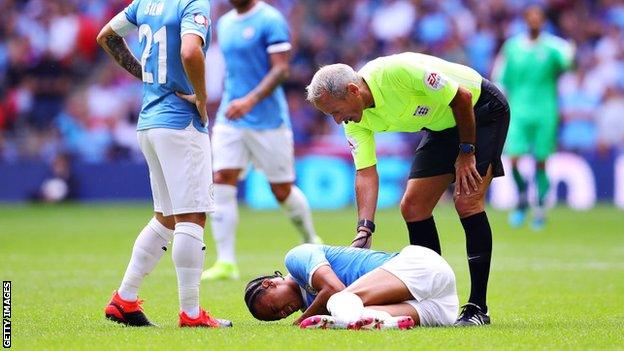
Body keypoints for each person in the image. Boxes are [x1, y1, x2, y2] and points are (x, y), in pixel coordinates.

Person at [305, 52, 510, 326]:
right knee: (413, 207)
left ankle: (477, 307)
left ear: (353, 90)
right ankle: (432, 295)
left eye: (335, 112)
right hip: (442, 125)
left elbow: (462, 97)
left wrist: (467, 151)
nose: (337, 121)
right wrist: (365, 228)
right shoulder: (357, 119)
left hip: (481, 111)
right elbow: (365, 172)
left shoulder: (397, 72)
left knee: (466, 201)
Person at [97, 0, 230, 327]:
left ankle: (124, 300)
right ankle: (192, 313)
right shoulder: (193, 3)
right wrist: (201, 96)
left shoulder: (145, 2)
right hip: (180, 124)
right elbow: (189, 52)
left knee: (166, 218)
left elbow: (107, 36)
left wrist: (146, 75)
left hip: (149, 121)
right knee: (192, 216)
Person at [201, 0, 322, 281]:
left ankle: (311, 238)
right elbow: (233, 71)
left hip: (268, 122)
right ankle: (226, 262)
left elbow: (281, 69)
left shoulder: (270, 20)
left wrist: (251, 100)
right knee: (221, 178)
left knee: (281, 190)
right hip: (232, 118)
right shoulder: (225, 22)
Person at [244, 244, 458, 329]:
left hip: (422, 267)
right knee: (361, 315)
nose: (283, 313)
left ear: (269, 283)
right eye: (278, 317)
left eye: (275, 308)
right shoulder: (315, 306)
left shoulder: (296, 258)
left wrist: (301, 321)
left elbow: (334, 288)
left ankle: (355, 323)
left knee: (340, 300)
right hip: (441, 306)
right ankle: (388, 324)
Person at [493, 5, 574, 230]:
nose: (535, 21)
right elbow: (500, 79)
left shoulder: (554, 46)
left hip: (545, 110)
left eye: (539, 18)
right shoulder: (512, 47)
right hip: (518, 111)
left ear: (544, 21)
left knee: (541, 160)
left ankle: (539, 207)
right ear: (526, 20)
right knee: (514, 159)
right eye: (531, 17)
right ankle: (521, 198)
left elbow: (570, 64)